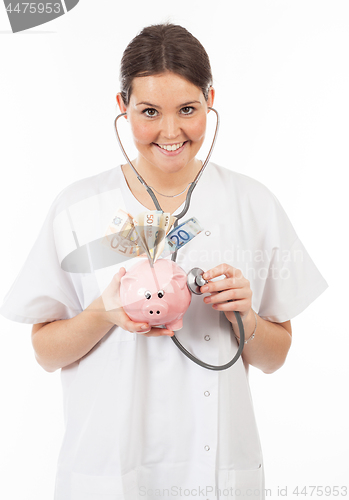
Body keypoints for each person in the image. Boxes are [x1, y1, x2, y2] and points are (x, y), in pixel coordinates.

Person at [0, 23, 328, 500]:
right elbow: (45, 353)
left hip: (215, 474)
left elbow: (275, 358)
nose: (171, 132)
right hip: (109, 472)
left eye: (188, 110)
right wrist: (104, 314)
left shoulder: (252, 203)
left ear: (210, 100)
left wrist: (244, 316)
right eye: (149, 111)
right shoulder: (77, 207)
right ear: (122, 107)